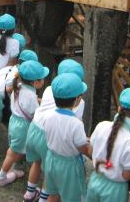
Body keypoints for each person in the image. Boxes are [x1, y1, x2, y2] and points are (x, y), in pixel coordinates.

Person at [24, 59, 86, 202]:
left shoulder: (48, 89)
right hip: (48, 136)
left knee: (37, 163)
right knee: (51, 173)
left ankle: (29, 193)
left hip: (34, 128)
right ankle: (44, 198)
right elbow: (72, 125)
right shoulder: (80, 103)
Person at [87, 88, 130, 202]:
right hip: (115, 191)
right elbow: (126, 175)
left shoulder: (101, 125)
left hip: (95, 180)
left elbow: (90, 151)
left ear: (119, 109)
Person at [0, 60, 49, 187]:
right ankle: (2, 176)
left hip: (14, 121)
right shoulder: (30, 95)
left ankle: (10, 170)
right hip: (23, 126)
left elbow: (25, 102)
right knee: (13, 152)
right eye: (43, 79)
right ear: (36, 82)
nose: (44, 81)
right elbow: (35, 113)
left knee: (15, 150)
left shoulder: (18, 86)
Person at [43, 73, 89, 202]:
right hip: (70, 166)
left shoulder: (48, 116)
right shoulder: (76, 123)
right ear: (77, 99)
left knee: (53, 195)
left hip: (51, 159)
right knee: (73, 198)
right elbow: (82, 148)